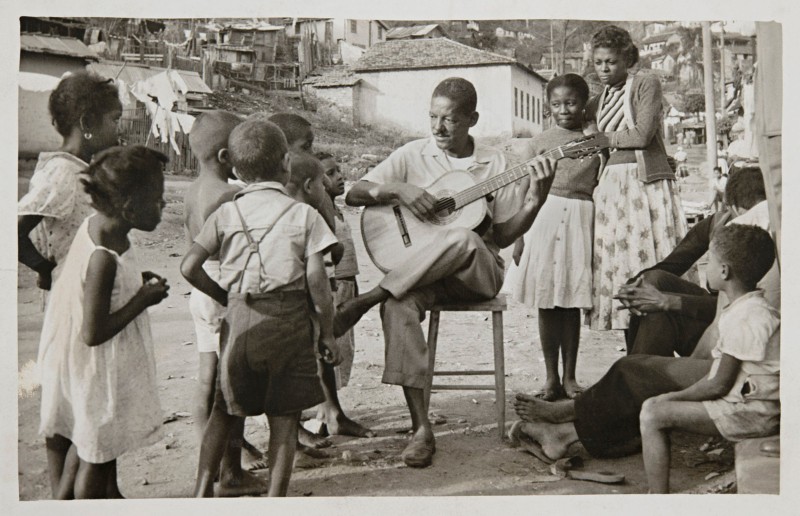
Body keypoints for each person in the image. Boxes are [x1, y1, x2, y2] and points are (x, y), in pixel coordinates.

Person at [340, 77, 557, 468]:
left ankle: (372, 296)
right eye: (433, 117)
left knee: (462, 236)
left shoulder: (498, 164)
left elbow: (502, 236)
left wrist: (535, 202)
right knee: (398, 307)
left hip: (477, 272)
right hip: (422, 275)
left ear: (472, 119)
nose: (438, 128)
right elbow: (355, 193)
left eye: (450, 120)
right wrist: (397, 191)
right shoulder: (413, 153)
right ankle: (421, 429)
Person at [511, 167, 780, 462]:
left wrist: (669, 304)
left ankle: (573, 424)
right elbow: (674, 267)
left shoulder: (751, 240)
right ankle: (626, 406)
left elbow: (732, 320)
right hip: (725, 341)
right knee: (653, 284)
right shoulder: (726, 227)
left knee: (633, 367)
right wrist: (636, 288)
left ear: (734, 207)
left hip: (741, 359)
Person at [181, 118, 340, 497]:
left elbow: (188, 267)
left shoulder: (226, 213)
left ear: (236, 171)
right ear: (286, 163)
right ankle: (274, 499)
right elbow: (318, 283)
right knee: (283, 420)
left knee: (224, 411)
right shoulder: (304, 215)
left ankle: (201, 493)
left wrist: (227, 297)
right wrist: (327, 332)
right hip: (288, 324)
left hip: (238, 322)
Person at [38, 145, 169, 498]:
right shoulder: (103, 258)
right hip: (94, 367)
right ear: (130, 208)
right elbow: (93, 332)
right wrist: (142, 300)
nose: (164, 205)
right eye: (158, 200)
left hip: (87, 363)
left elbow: (104, 290)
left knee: (91, 442)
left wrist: (135, 281)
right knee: (95, 456)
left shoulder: (102, 227)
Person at [640, 224, 779, 493]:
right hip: (750, 405)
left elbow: (718, 384)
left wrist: (672, 397)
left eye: (710, 261)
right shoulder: (748, 308)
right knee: (657, 404)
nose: (708, 267)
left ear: (724, 271)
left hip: (752, 413)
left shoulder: (745, 317)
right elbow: (717, 377)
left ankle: (657, 498)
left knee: (652, 413)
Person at [183, 110, 268, 496]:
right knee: (233, 387)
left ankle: (211, 460)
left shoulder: (192, 190)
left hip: (200, 293)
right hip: (221, 289)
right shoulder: (230, 196)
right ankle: (231, 470)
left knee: (208, 379)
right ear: (225, 156)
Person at [503, 74, 601, 400]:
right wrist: (519, 237)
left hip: (580, 220)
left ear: (584, 104)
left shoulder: (596, 141)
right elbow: (523, 190)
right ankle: (550, 378)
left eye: (571, 103)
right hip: (543, 219)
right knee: (547, 301)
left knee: (570, 302)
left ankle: (570, 377)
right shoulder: (539, 143)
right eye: (556, 104)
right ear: (548, 107)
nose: (564, 110)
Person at [586, 25, 688, 332]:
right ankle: (630, 335)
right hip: (612, 188)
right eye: (598, 62)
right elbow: (589, 139)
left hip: (644, 184)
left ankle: (658, 333)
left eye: (611, 62)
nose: (604, 69)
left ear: (626, 59)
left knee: (647, 259)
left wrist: (604, 139)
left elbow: (642, 135)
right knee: (622, 261)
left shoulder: (645, 82)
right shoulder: (598, 101)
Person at [19, 71, 122, 294]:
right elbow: (13, 233)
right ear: (87, 122)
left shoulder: (81, 169)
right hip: (74, 295)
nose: (119, 129)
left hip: (91, 290)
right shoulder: (63, 172)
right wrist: (46, 270)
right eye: (115, 120)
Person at [312, 151, 376, 437]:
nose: (339, 177)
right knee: (331, 347)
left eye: (338, 170)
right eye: (330, 173)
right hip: (333, 284)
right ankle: (323, 415)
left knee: (344, 346)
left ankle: (331, 410)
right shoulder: (318, 208)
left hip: (348, 281)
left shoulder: (334, 207)